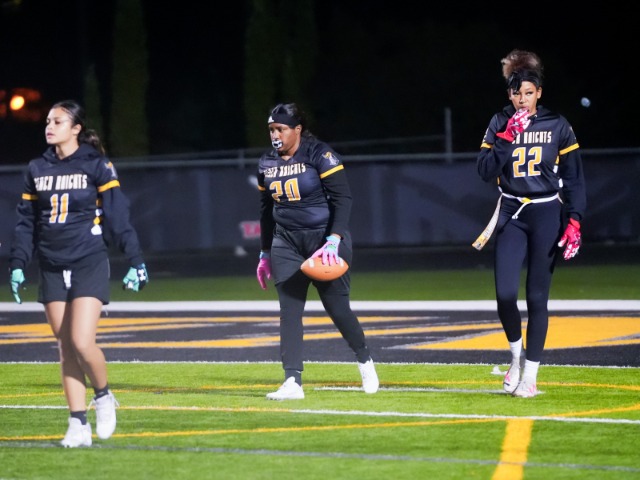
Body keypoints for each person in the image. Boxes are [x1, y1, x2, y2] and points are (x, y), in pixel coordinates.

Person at [8, 99, 149, 447]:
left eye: (58, 121)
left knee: (82, 342)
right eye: (48, 121)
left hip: (88, 259)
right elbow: (26, 223)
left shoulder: (96, 165)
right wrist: (18, 263)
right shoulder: (36, 168)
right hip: (51, 264)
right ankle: (77, 423)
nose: (49, 126)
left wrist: (135, 259)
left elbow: (118, 215)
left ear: (76, 129)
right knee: (65, 347)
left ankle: (103, 395)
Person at [475, 50, 586, 397]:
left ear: (539, 92)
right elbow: (484, 171)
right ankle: (515, 357)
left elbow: (574, 178)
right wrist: (506, 138)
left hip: (545, 212)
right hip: (511, 211)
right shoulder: (499, 122)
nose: (522, 99)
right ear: (509, 94)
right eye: (516, 93)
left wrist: (575, 219)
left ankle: (532, 377)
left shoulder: (558, 124)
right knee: (505, 294)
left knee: (537, 298)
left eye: (528, 93)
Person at [255, 102, 379, 400]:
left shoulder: (319, 154)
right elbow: (266, 210)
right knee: (289, 310)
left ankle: (364, 359)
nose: (275, 135)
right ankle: (292, 381)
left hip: (323, 240)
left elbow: (343, 198)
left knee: (337, 308)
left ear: (297, 129)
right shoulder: (266, 162)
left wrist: (334, 239)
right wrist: (264, 252)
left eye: (281, 129)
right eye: (271, 129)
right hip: (286, 241)